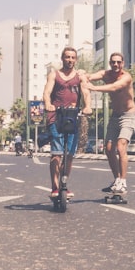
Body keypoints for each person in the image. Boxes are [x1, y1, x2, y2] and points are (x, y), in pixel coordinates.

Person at [84, 52, 135, 195]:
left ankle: (123, 182)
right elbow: (90, 76)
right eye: (113, 62)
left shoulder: (126, 77)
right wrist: (83, 74)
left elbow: (114, 87)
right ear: (110, 63)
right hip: (115, 116)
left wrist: (93, 88)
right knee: (108, 149)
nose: (116, 65)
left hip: (129, 115)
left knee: (121, 146)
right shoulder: (106, 74)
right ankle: (117, 180)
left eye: (118, 62)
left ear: (123, 63)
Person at [43, 46, 93, 198]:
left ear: (75, 59)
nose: (70, 60)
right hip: (56, 116)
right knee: (56, 154)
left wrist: (87, 106)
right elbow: (47, 92)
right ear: (62, 58)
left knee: (69, 155)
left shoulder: (80, 76)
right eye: (67, 57)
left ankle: (64, 183)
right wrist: (47, 104)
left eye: (72, 57)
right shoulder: (54, 75)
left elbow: (85, 92)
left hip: (73, 117)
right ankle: (55, 186)